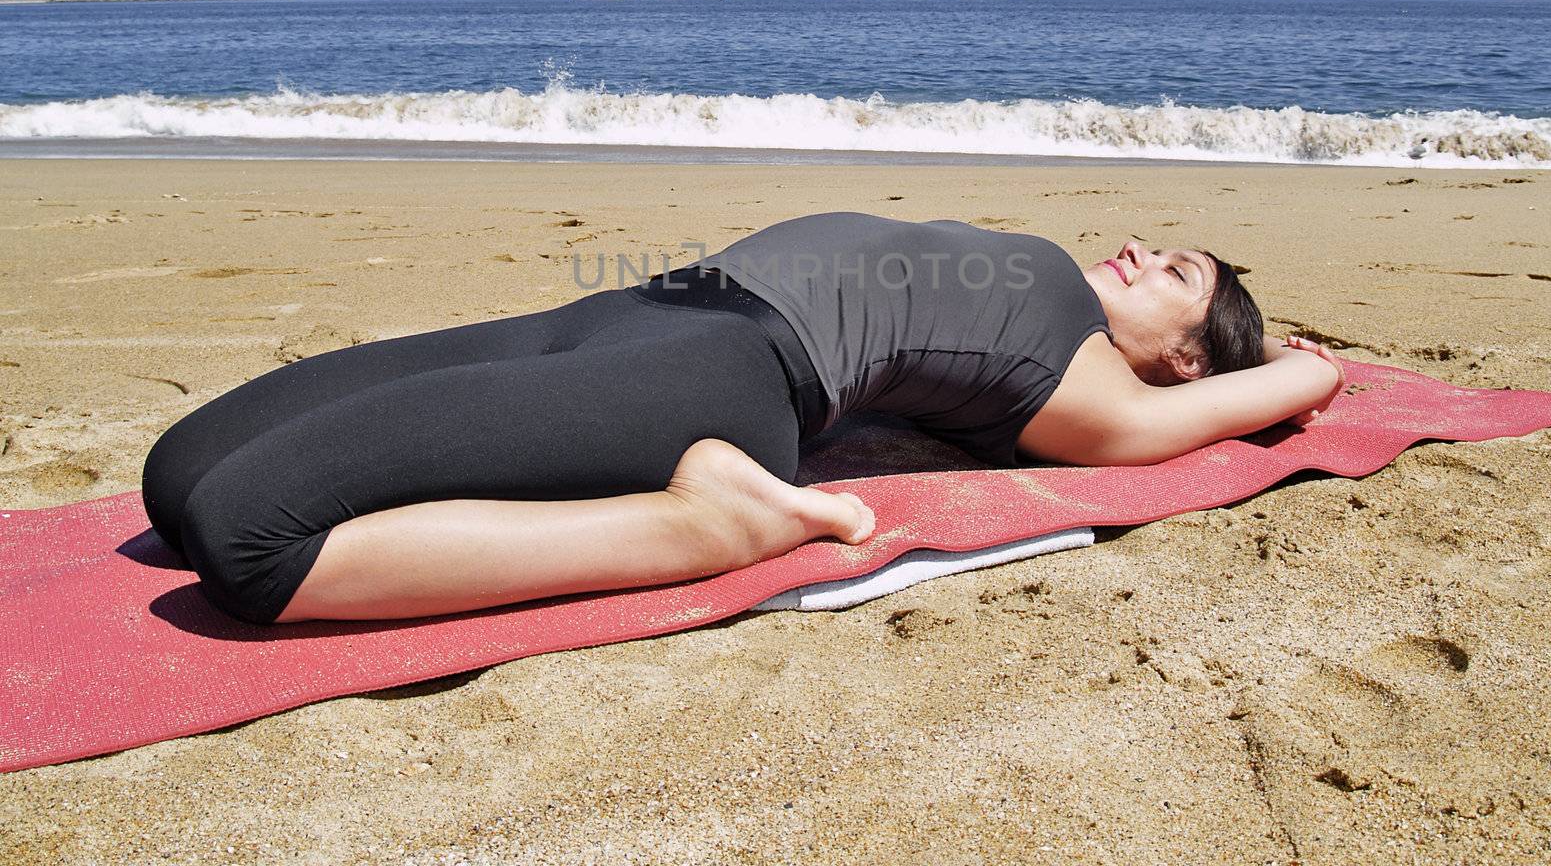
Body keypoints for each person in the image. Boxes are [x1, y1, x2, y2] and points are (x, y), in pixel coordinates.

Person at [141, 210, 1344, 626]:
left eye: (1173, 273)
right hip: (625, 311)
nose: (1139, 251)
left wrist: (1307, 372)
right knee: (179, 476)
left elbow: (1232, 406)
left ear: (1184, 361)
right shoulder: (1037, 275)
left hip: (716, 379)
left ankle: (710, 525)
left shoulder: (1092, 389)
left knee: (248, 540)